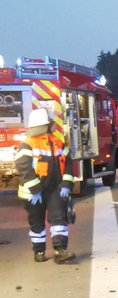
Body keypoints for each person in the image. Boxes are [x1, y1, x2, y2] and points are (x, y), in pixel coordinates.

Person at [15, 108, 76, 263]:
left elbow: (68, 163)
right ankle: (39, 252)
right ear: (45, 125)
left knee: (59, 219)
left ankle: (60, 250)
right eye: (52, 122)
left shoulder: (57, 142)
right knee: (36, 222)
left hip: (55, 189)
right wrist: (35, 189)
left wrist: (66, 184)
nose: (55, 125)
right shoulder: (27, 145)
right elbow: (24, 167)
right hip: (34, 192)